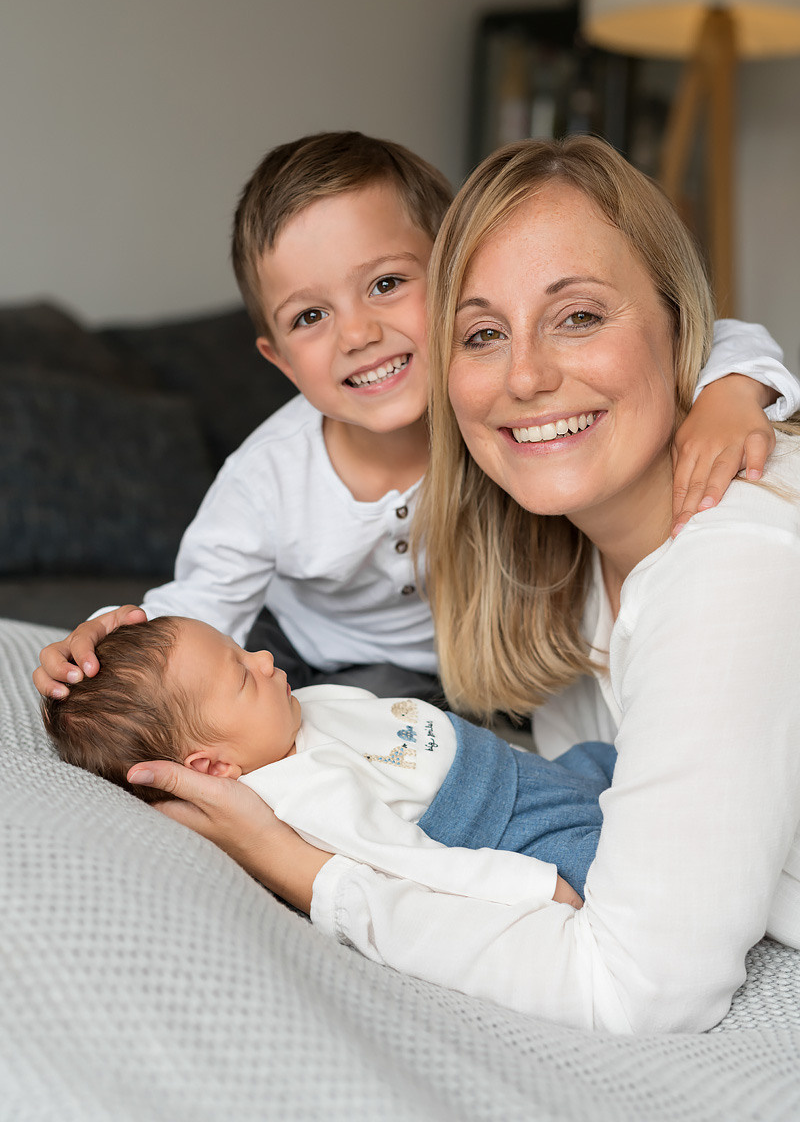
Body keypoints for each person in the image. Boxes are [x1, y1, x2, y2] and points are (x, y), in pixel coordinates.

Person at [126, 136, 800, 1035]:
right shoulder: (555, 557)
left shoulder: (731, 563)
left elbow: (642, 986)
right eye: (483, 333)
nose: (525, 376)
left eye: (580, 315)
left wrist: (302, 868)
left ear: (683, 326)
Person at [33, 132, 800, 706]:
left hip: (474, 660)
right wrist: (103, 636)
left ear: (460, 279)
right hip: (299, 654)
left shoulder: (504, 407)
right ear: (279, 362)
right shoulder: (268, 480)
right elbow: (198, 605)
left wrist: (735, 391)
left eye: (388, 283)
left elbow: (702, 336)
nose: (357, 333)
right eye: (310, 317)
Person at [41, 614, 618, 900]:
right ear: (212, 769)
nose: (264, 658)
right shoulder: (305, 799)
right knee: (617, 864)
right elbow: (409, 867)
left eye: (243, 649)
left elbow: (168, 667)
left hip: (521, 767)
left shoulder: (279, 718)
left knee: (614, 764)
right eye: (242, 676)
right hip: (511, 827)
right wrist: (538, 889)